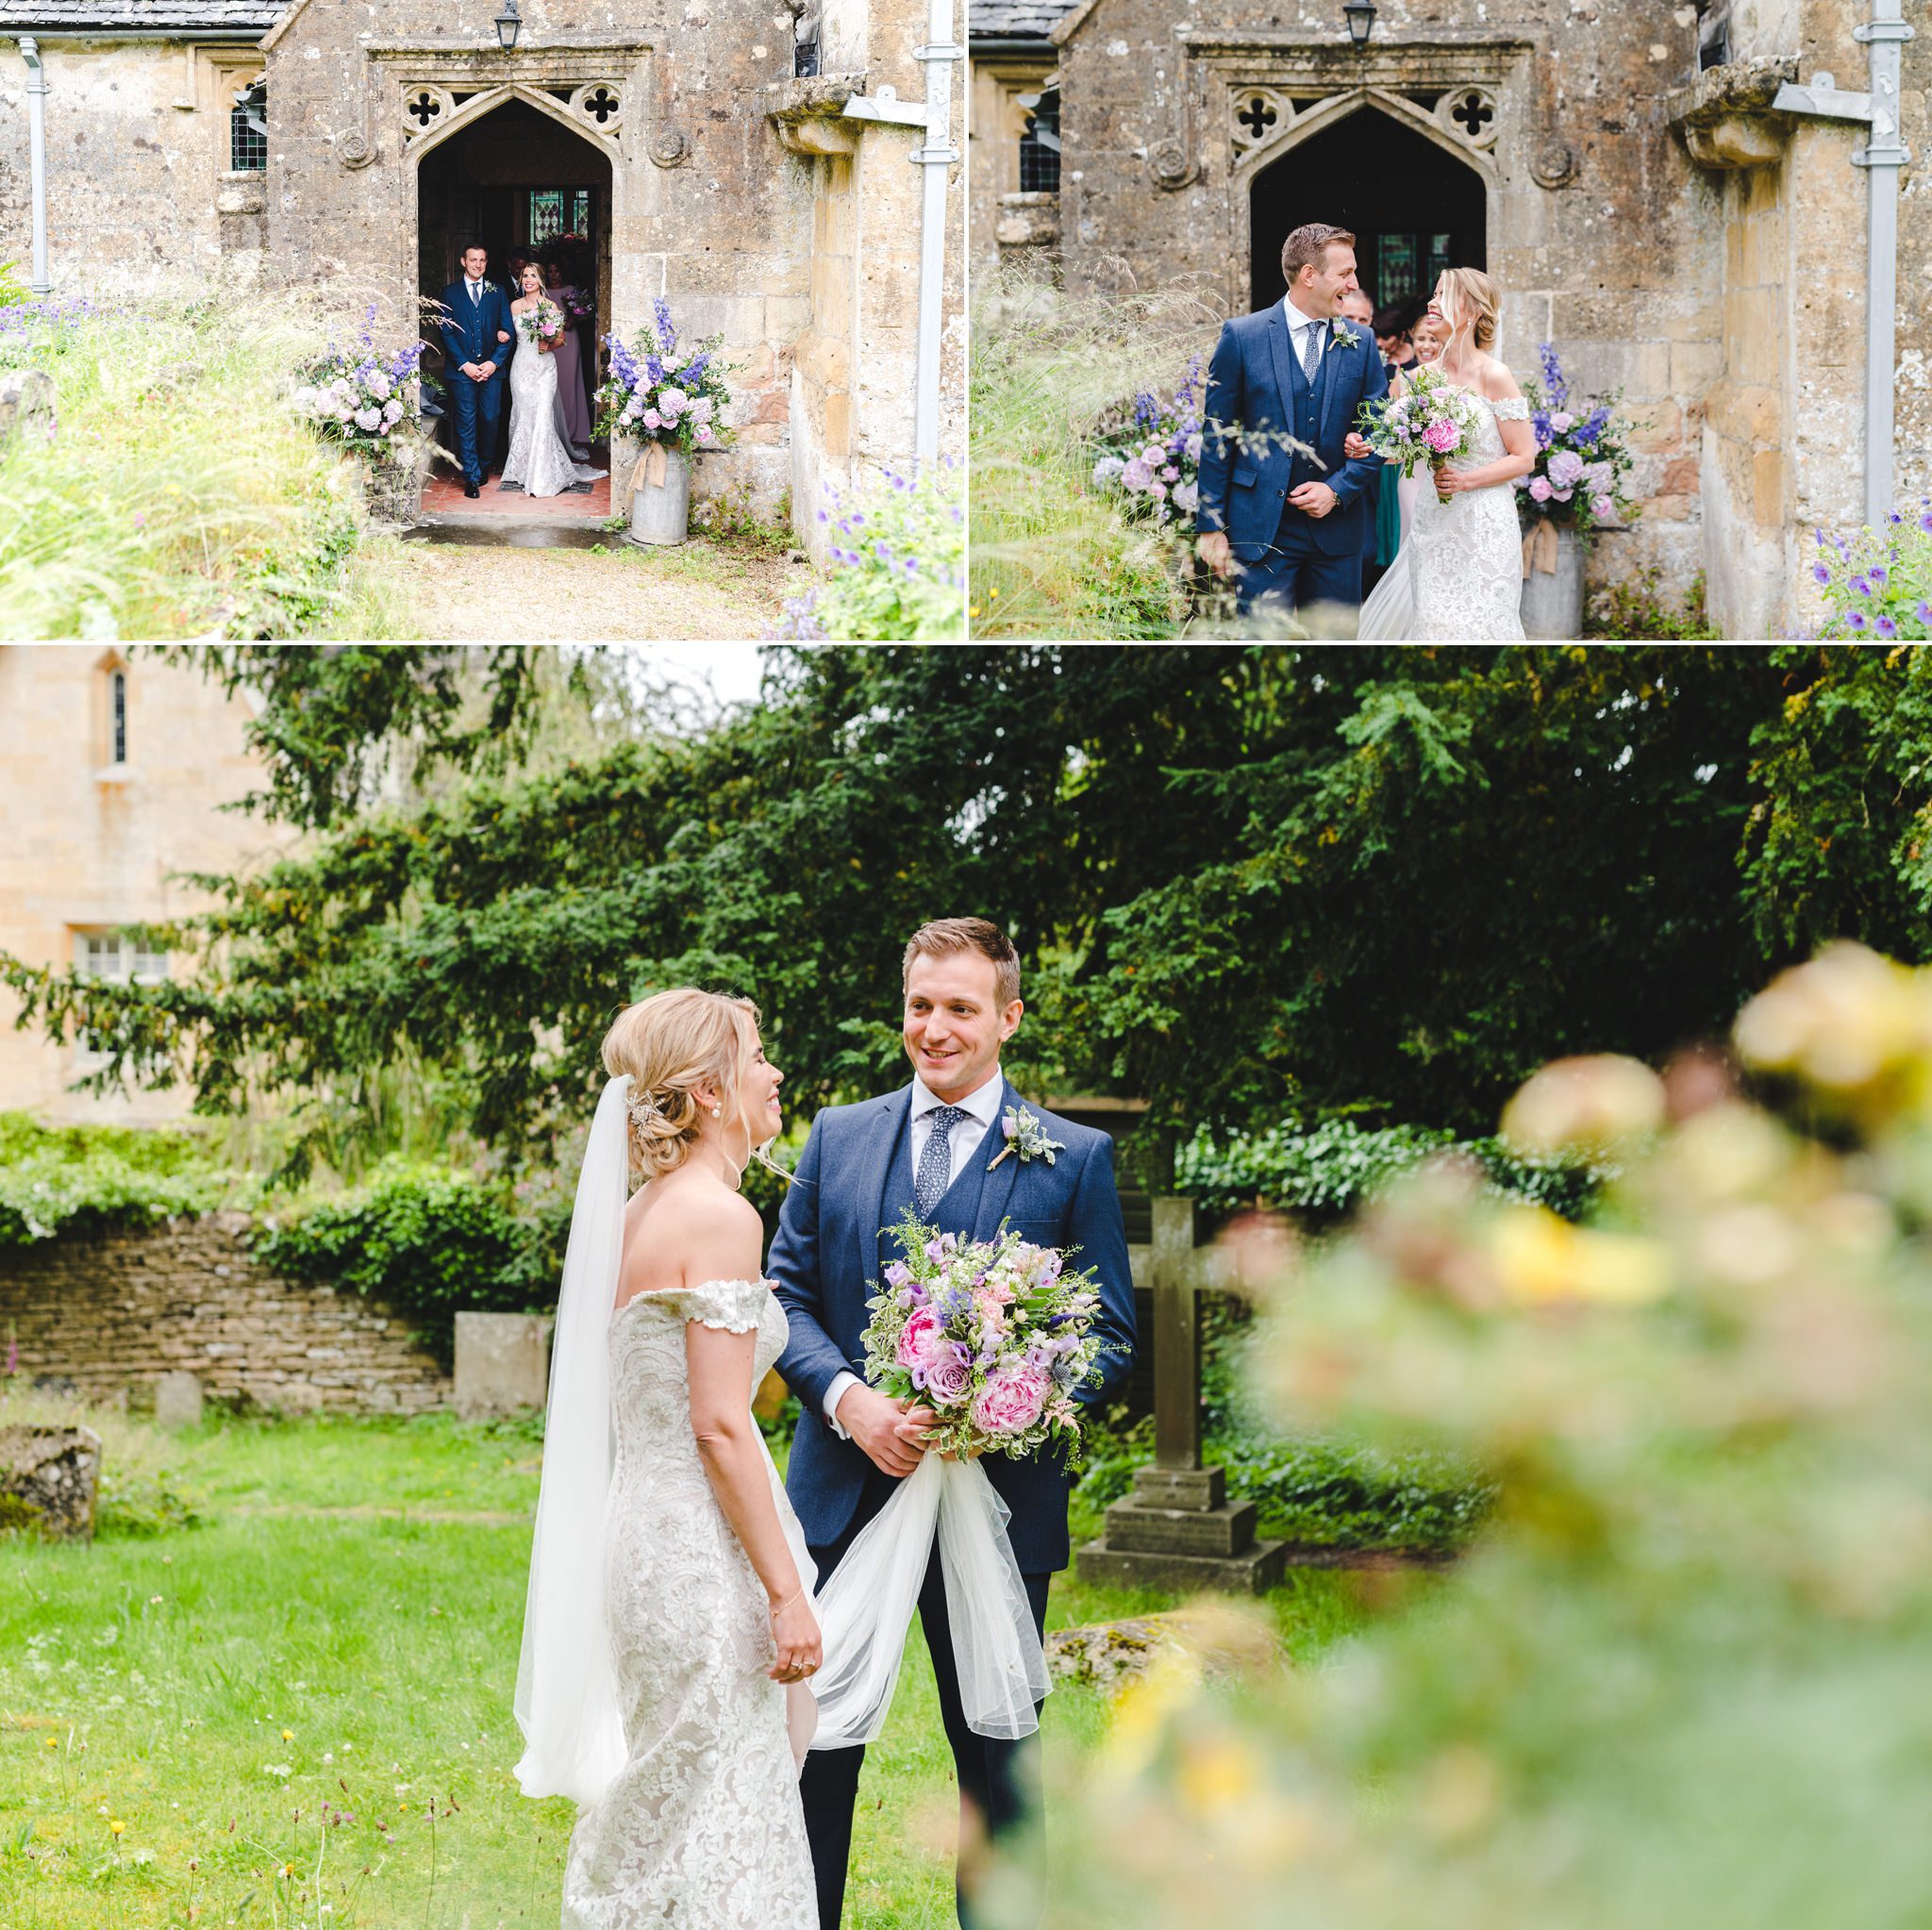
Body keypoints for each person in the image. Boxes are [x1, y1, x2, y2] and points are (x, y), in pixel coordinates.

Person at [771, 916, 1137, 1930]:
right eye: (918, 1007)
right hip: (840, 1498)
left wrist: (1003, 1406)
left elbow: (1107, 1334)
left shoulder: (1072, 1157)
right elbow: (784, 1293)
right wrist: (848, 1400)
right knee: (809, 1747)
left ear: (1007, 1018)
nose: (933, 1029)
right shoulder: (838, 1136)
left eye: (959, 1009)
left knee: (998, 1761)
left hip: (997, 1507)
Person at [513, 989, 820, 1927]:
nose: (773, 1073)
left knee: (671, 1801)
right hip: (701, 1552)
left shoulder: (638, 1214)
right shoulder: (718, 1219)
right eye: (758, 1056)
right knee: (728, 1795)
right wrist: (783, 1591)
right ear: (712, 1090)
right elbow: (720, 1427)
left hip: (642, 1541)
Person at [1195, 223, 1390, 627]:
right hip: (1260, 529)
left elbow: (1381, 431)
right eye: (1345, 273)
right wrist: (1210, 526)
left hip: (1337, 534)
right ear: (1308, 275)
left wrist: (1337, 490)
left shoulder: (1362, 342)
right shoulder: (1242, 337)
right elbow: (1218, 434)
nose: (1355, 284)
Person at [1353, 269, 1537, 640]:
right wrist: (1367, 447)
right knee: (1435, 624)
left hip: (1485, 523)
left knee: (1485, 627)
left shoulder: (1495, 376)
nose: (1433, 303)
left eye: (1443, 295)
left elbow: (1523, 457)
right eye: (1434, 294)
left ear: (1470, 311)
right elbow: (1396, 450)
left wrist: (1466, 480)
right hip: (1434, 523)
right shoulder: (1416, 379)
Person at [503, 260, 608, 498]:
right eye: (525, 276)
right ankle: (523, 468)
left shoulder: (550, 306)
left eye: (532, 275)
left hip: (544, 369)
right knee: (523, 415)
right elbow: (509, 335)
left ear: (540, 280)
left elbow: (561, 339)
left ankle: (541, 474)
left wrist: (547, 344)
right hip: (521, 367)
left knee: (542, 416)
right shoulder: (514, 306)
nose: (528, 279)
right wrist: (501, 335)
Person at [437, 243, 516, 499]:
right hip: (462, 372)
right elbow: (445, 332)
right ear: (463, 262)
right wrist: (465, 364)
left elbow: (508, 331)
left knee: (491, 419)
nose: (478, 265)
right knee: (466, 421)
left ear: (486, 262)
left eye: (482, 260)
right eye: (473, 260)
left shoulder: (498, 292)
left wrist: (494, 363)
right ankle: (470, 476)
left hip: (492, 371)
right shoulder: (448, 293)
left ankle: (483, 465)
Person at [543, 255, 594, 458]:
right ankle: (554, 429)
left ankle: (574, 430)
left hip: (569, 342)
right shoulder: (542, 292)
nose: (554, 275)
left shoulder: (571, 290)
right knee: (552, 385)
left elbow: (580, 312)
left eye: (557, 271)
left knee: (570, 385)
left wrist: (572, 319)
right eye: (550, 271)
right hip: (550, 343)